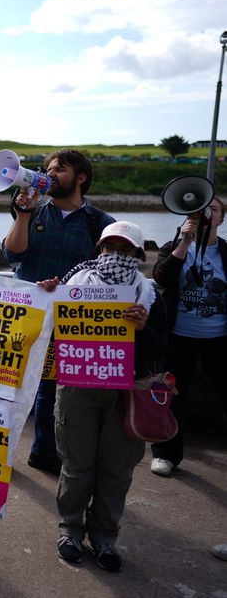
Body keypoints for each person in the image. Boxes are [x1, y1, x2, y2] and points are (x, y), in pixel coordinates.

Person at [37, 221, 166, 573]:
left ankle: (105, 537)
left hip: (127, 394)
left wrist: (142, 329)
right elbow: (45, 329)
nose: (115, 256)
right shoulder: (73, 286)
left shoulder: (150, 294)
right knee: (77, 467)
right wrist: (46, 293)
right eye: (109, 248)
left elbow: (163, 348)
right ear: (99, 249)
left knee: (116, 471)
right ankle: (70, 530)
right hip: (78, 387)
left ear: (138, 256)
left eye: (125, 250)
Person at [2, 149, 115, 475]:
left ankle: (44, 453)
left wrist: (68, 283)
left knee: (51, 388)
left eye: (60, 169)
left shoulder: (99, 223)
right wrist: (23, 214)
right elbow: (13, 253)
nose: (51, 174)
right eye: (48, 169)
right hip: (25, 311)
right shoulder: (35, 211)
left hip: (69, 318)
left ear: (81, 178)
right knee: (7, 384)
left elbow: (107, 273)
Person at [149, 197, 226, 477]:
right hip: (179, 336)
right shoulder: (174, 248)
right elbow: (160, 278)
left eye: (213, 210)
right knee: (170, 397)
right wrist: (185, 242)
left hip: (219, 338)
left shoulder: (225, 253)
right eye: (199, 211)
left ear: (221, 219)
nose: (206, 214)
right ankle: (165, 454)